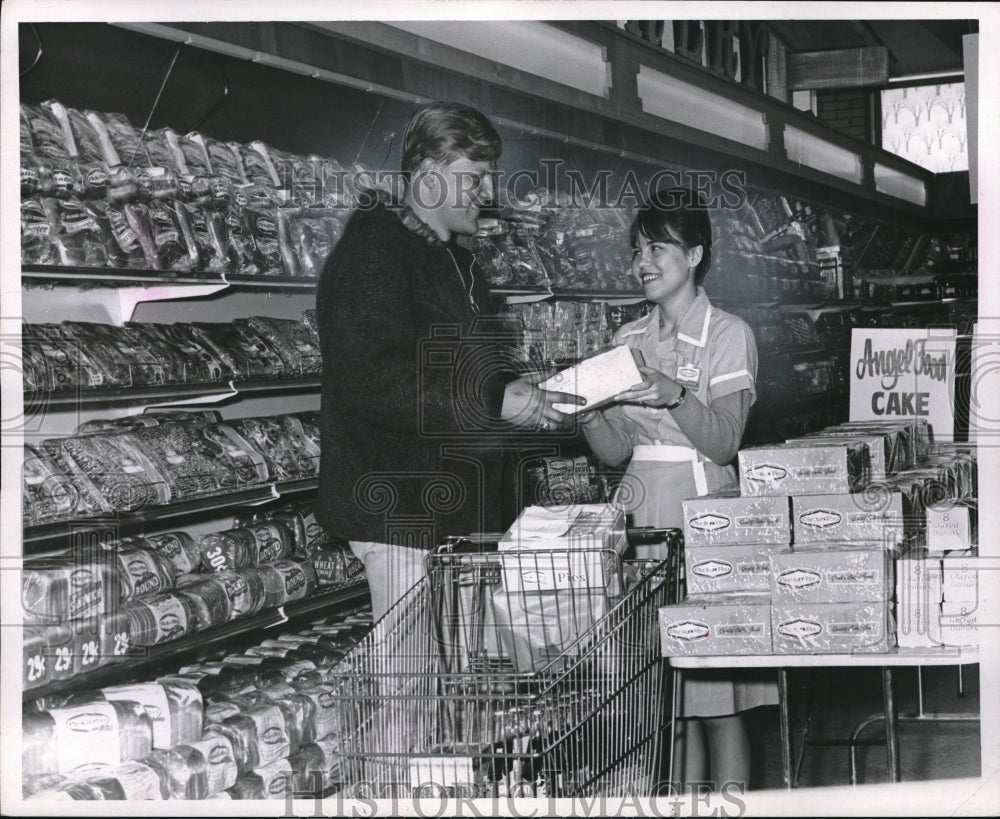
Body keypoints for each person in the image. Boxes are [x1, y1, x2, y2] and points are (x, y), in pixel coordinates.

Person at [315, 101, 582, 622]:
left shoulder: (455, 261)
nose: (487, 192)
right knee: (411, 685)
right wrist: (497, 398)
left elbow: (462, 373)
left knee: (458, 681)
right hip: (399, 515)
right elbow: (376, 380)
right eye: (476, 176)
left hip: (455, 513)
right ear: (431, 171)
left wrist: (524, 391)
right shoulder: (373, 254)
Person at [577, 187, 777, 792]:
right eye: (637, 248)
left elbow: (723, 442)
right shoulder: (626, 338)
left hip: (703, 522)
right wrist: (583, 409)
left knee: (716, 702)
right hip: (637, 523)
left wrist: (676, 394)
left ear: (694, 254)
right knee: (663, 706)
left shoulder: (729, 334)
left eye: (657, 247)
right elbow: (616, 452)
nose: (643, 261)